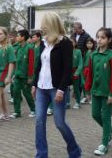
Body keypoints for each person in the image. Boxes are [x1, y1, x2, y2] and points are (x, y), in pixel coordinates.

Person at [32, 11, 82, 158]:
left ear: (52, 24)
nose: (42, 28)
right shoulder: (43, 42)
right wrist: (34, 84)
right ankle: (41, 153)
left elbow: (68, 68)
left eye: (45, 25)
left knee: (59, 123)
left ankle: (75, 151)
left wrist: (61, 89)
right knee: (39, 121)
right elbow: (39, 65)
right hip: (41, 88)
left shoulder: (65, 43)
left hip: (56, 89)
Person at [85, 27, 112, 155]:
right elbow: (90, 74)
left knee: (106, 117)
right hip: (95, 91)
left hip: (107, 93)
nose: (99, 40)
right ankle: (109, 129)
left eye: (102, 37)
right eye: (98, 37)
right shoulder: (93, 54)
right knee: (95, 114)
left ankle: (104, 144)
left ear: (109, 39)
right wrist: (87, 90)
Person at [10, 29, 36, 118]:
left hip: (26, 76)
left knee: (27, 94)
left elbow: (31, 63)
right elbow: (16, 62)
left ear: (23, 37)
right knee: (15, 93)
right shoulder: (18, 48)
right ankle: (17, 112)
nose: (16, 37)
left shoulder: (30, 48)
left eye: (18, 36)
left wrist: (30, 77)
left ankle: (33, 110)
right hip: (17, 75)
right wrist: (14, 74)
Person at [81, 37, 96, 104]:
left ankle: (92, 98)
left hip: (91, 69)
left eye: (90, 43)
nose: (89, 45)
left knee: (91, 83)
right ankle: (86, 96)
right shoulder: (85, 52)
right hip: (85, 69)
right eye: (87, 43)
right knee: (84, 83)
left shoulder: (94, 52)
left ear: (93, 44)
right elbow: (83, 61)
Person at [70, 37, 83, 110]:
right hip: (67, 72)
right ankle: (67, 103)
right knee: (66, 88)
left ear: (75, 43)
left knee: (76, 88)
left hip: (75, 71)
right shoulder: (66, 51)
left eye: (72, 42)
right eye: (70, 42)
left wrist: (77, 72)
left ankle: (78, 102)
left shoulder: (78, 51)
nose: (71, 43)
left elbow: (80, 64)